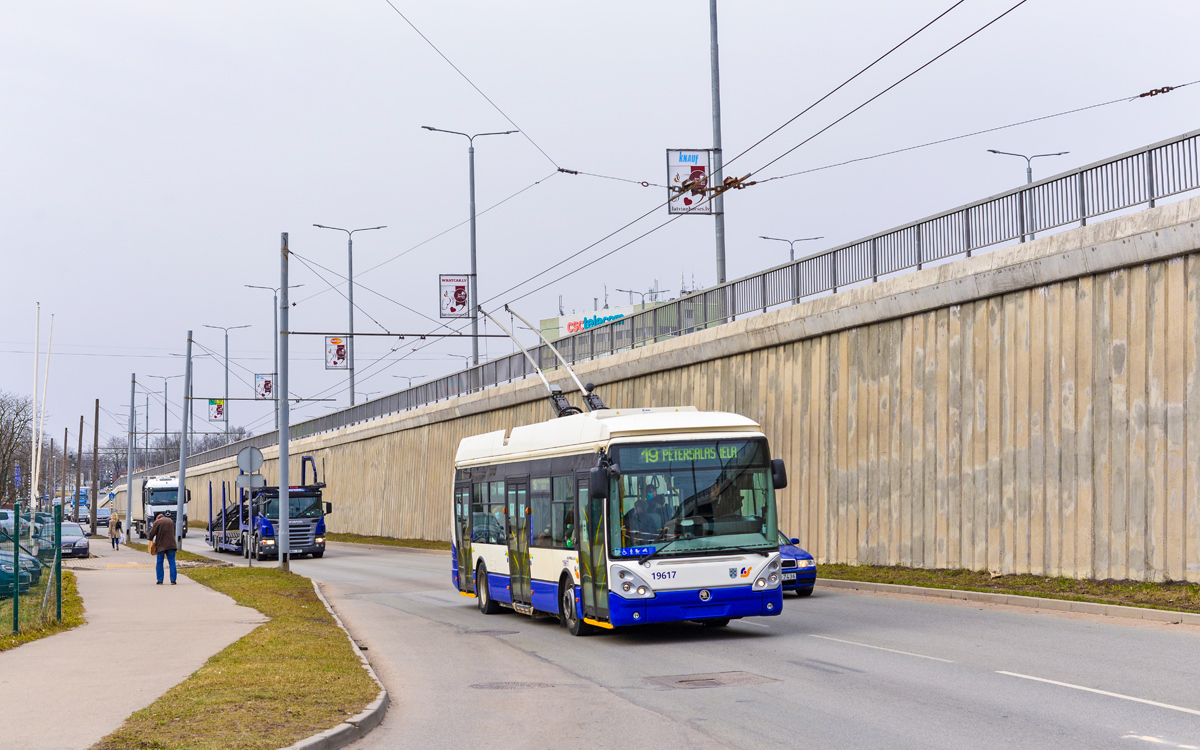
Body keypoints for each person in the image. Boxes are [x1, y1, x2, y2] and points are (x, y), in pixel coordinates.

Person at [147, 512, 178, 585]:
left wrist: (150, 539)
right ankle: (173, 580)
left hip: (161, 546)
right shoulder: (170, 521)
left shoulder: (157, 522)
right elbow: (174, 532)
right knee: (172, 562)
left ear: (157, 517)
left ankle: (160, 580)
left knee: (160, 563)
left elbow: (152, 533)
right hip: (171, 545)